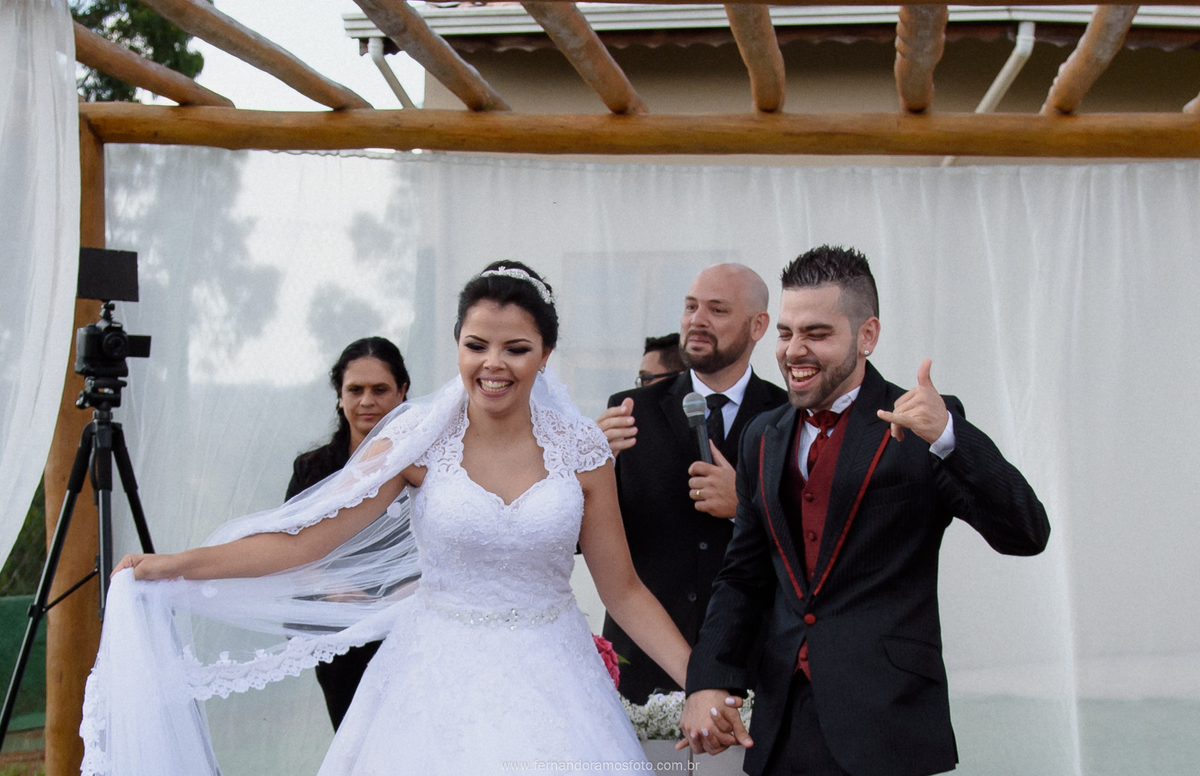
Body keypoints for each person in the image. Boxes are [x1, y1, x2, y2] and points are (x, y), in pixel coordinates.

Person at [84, 261, 692, 776]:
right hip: (433, 682)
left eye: (516, 348)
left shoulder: (582, 450)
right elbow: (305, 540)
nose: (493, 365)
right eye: (476, 345)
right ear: (457, 343)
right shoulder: (417, 442)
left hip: (557, 682)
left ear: (546, 354)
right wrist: (177, 566)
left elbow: (625, 590)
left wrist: (704, 679)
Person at [679, 246, 1051, 776]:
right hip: (782, 726)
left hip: (888, 722)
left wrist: (949, 435)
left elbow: (1026, 531)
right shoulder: (763, 435)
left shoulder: (926, 426)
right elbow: (743, 576)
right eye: (785, 334)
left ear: (867, 335)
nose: (793, 351)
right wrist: (708, 679)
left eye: (818, 334)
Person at [597, 264, 788, 704]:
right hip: (643, 666)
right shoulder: (630, 412)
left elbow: (816, 542)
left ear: (758, 325)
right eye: (690, 307)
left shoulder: (787, 417)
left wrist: (745, 505)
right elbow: (578, 538)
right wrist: (590, 467)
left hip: (751, 667)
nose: (696, 321)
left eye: (717, 310)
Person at [286, 337, 410, 730]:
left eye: (380, 389)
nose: (367, 401)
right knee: (353, 744)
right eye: (355, 390)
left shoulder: (426, 467)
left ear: (402, 391)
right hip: (338, 635)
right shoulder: (313, 469)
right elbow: (288, 550)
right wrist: (331, 584)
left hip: (408, 632)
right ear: (339, 396)